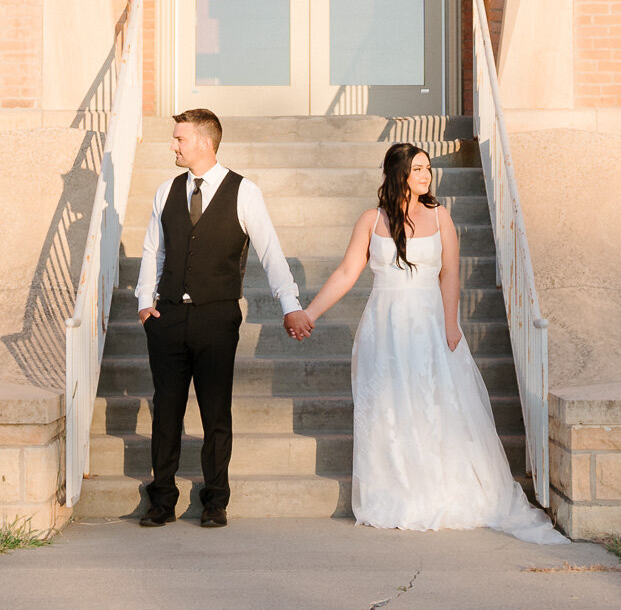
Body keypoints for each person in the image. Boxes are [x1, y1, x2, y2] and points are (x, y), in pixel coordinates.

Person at [300, 142, 567, 541]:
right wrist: (309, 313)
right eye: (418, 169)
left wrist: (450, 324)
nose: (426, 176)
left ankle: (442, 489)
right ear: (398, 173)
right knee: (388, 409)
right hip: (384, 324)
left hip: (428, 321)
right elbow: (346, 272)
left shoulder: (441, 216)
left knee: (435, 403)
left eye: (428, 169)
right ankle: (396, 492)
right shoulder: (370, 220)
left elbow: (450, 275)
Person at [136, 107, 311, 528]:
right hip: (169, 317)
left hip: (217, 317)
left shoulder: (244, 191)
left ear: (204, 142)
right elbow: (152, 251)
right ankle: (161, 499)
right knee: (166, 410)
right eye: (174, 138)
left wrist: (291, 305)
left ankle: (215, 500)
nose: (173, 145)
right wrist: (145, 303)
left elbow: (270, 250)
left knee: (216, 412)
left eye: (180, 139)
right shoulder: (166, 191)